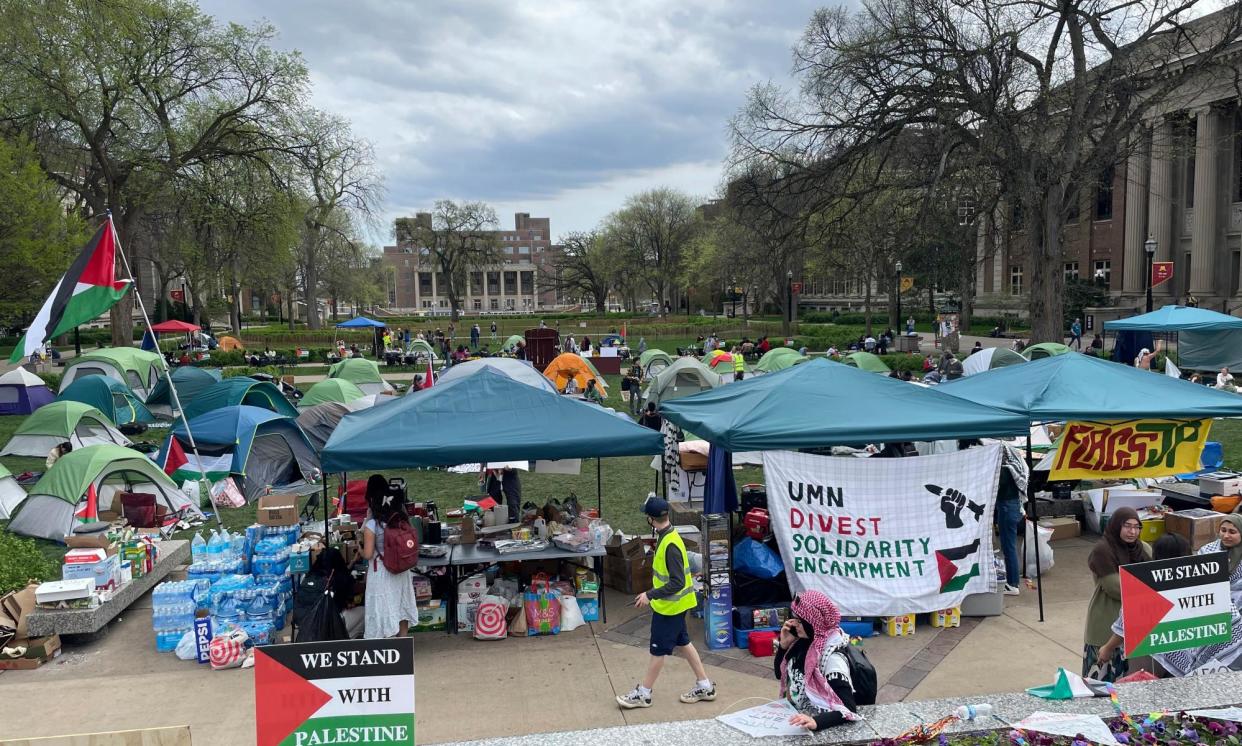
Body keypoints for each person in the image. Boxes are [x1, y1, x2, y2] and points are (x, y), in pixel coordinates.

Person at [617, 496, 715, 709]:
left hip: (669, 608)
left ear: (650, 519)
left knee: (658, 650)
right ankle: (705, 686)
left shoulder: (669, 543)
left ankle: (644, 694)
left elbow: (677, 582)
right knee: (684, 643)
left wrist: (649, 595)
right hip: (675, 606)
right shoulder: (668, 536)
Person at [776, 590, 859, 730]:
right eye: (794, 617)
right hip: (796, 717)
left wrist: (817, 722)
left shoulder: (832, 659)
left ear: (814, 623)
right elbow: (780, 675)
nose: (794, 624)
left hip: (813, 722)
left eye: (800, 621)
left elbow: (848, 708)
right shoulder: (802, 642)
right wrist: (783, 647)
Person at [1084, 507, 1150, 680]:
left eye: (1137, 527)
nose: (1132, 531)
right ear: (1116, 526)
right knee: (1100, 684)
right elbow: (1115, 588)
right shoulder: (1102, 551)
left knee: (1129, 683)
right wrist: (1149, 593)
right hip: (1107, 620)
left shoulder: (1144, 550)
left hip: (1137, 623)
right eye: (1127, 526)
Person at [361, 475, 419, 639]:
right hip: (401, 568)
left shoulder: (372, 525)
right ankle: (403, 641)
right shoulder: (399, 518)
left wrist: (359, 549)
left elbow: (368, 553)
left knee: (383, 607)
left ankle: (386, 644)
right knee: (401, 604)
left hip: (382, 571)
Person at [995, 446, 1028, 595]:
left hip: (1007, 507)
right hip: (1013, 506)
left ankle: (1013, 584)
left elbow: (996, 488)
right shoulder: (1016, 467)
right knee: (1010, 545)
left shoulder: (1005, 470)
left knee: (1008, 546)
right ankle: (1013, 581)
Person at [1198, 514, 1242, 607]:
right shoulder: (1207, 550)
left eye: (1232, 532)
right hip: (1211, 601)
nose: (1226, 536)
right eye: (1223, 530)